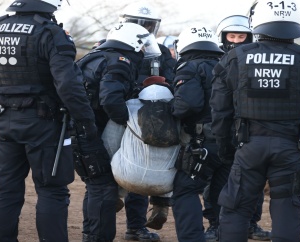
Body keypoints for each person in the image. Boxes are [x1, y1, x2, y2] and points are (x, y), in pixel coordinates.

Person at [0, 0, 97, 241]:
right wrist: (86, 121)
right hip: (45, 125)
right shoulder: (51, 33)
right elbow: (67, 84)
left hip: (3, 122)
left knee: (5, 189)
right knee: (52, 191)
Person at [210, 0, 300, 241]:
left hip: (248, 147)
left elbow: (220, 112)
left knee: (236, 208)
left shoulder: (233, 59)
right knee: (286, 209)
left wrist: (225, 148)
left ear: (256, 22)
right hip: (290, 148)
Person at [74, 22, 161, 242]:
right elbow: (111, 100)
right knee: (103, 187)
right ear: (133, 43)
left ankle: (90, 235)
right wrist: (129, 122)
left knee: (95, 186)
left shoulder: (94, 57)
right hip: (94, 132)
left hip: (79, 129)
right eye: (141, 46)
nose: (143, 51)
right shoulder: (120, 61)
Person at [203, 14, 271, 241]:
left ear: (250, 37)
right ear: (223, 38)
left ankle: (251, 223)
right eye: (231, 36)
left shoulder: (259, 61)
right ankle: (214, 224)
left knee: (254, 179)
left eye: (241, 36)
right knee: (218, 181)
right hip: (220, 129)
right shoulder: (213, 62)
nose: (236, 40)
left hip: (250, 129)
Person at [118, 2, 177, 240]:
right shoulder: (114, 47)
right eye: (136, 23)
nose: (142, 30)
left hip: (150, 119)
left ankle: (139, 223)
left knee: (144, 168)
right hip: (121, 116)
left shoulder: (161, 52)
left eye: (148, 25)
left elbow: (173, 80)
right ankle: (114, 209)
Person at [171, 24, 227, 242]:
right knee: (224, 194)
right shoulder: (230, 64)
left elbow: (187, 105)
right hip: (234, 142)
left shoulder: (190, 67)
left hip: (203, 143)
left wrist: (170, 110)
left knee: (185, 190)